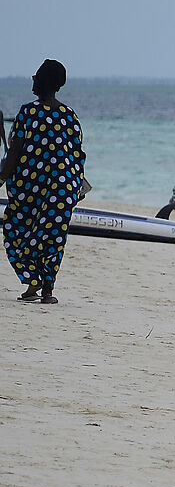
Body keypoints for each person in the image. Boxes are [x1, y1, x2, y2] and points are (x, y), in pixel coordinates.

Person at [2, 59, 83, 305]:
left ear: (43, 81)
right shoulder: (70, 115)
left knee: (16, 230)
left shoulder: (28, 112)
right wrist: (76, 186)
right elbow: (77, 154)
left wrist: (2, 177)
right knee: (52, 238)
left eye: (36, 75)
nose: (32, 79)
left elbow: (14, 152)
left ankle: (32, 280)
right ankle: (46, 290)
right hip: (63, 189)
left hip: (32, 190)